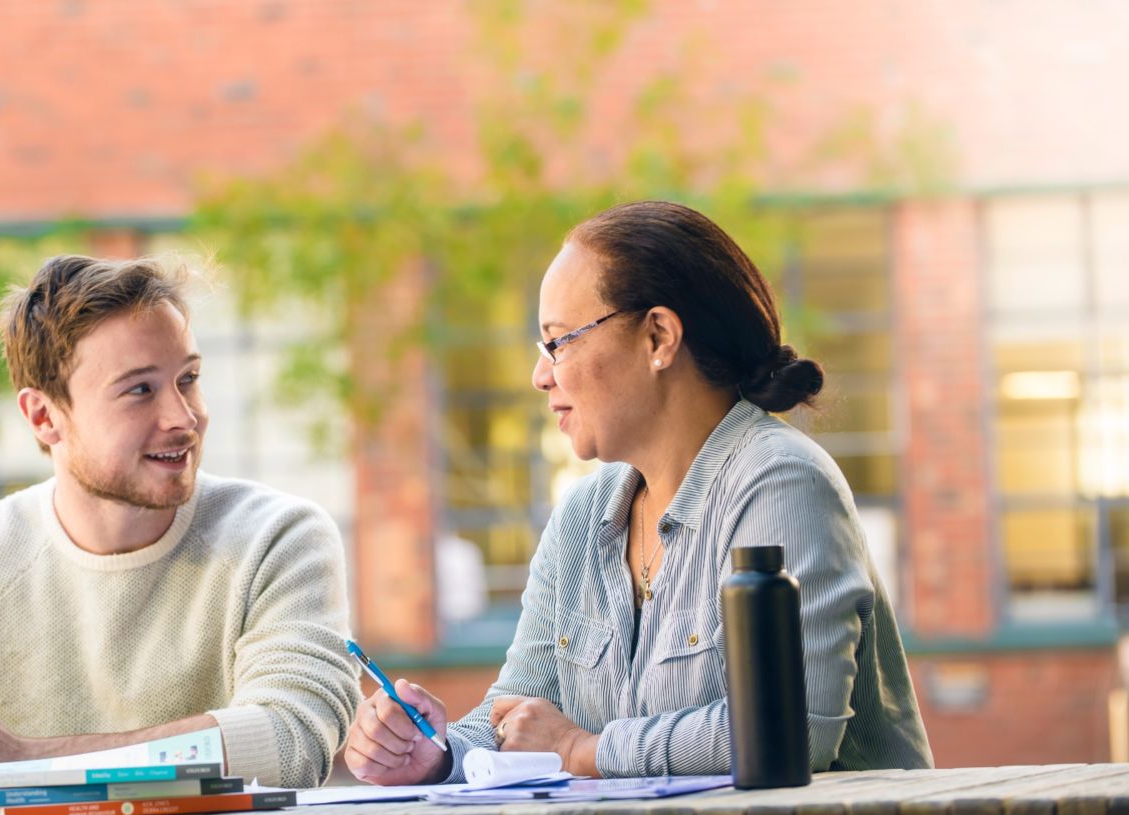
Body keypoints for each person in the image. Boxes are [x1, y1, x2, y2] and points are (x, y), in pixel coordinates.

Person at [346, 200, 933, 784]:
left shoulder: (780, 481)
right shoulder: (584, 514)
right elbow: (520, 716)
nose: (541, 374)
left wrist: (583, 750)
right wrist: (436, 752)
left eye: (560, 341)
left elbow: (793, 731)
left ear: (658, 337)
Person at [0, 255, 360, 789]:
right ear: (44, 417)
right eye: (139, 391)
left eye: (188, 380)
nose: (183, 417)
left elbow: (288, 741)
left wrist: (24, 764)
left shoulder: (278, 539)